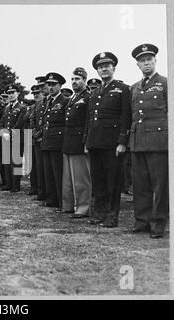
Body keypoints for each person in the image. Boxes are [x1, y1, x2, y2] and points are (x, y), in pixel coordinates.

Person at [84, 52, 132, 228]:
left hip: (112, 144)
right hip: (95, 142)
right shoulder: (95, 92)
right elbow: (90, 120)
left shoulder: (122, 89)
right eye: (100, 67)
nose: (104, 69)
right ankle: (99, 213)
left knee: (113, 181)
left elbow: (126, 117)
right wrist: (87, 142)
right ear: (97, 70)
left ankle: (112, 216)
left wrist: (122, 142)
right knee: (98, 180)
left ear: (114, 68)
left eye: (107, 66)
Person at [129, 44, 168, 238]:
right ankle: (141, 221)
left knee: (160, 186)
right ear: (137, 64)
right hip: (138, 141)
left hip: (159, 142)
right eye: (142, 61)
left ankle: (158, 223)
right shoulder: (134, 88)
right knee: (140, 184)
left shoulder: (165, 83)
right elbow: (132, 115)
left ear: (155, 61)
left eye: (149, 59)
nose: (146, 63)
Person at [61, 67, 92, 218]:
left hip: (79, 142)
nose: (74, 82)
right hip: (68, 141)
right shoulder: (74, 97)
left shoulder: (88, 97)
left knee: (81, 179)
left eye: (77, 79)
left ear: (85, 80)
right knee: (67, 178)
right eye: (72, 79)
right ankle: (68, 205)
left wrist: (86, 141)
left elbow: (88, 121)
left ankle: (83, 207)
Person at [41, 73, 69, 212]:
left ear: (60, 86)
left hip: (57, 141)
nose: (50, 87)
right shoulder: (48, 101)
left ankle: (60, 200)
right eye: (49, 84)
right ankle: (51, 199)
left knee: (58, 173)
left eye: (54, 85)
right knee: (48, 173)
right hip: (47, 140)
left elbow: (65, 123)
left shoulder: (64, 101)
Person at [0, 84, 26, 192]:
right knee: (6, 162)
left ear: (18, 94)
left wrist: (9, 133)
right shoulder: (6, 108)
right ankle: (8, 184)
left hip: (16, 138)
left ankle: (16, 185)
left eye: (12, 93)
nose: (10, 95)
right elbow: (1, 123)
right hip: (6, 138)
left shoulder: (22, 108)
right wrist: (3, 132)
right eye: (9, 93)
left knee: (16, 162)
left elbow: (19, 124)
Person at [30, 80, 48, 203]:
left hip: (45, 138)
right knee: (38, 168)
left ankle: (46, 192)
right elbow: (31, 119)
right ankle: (41, 192)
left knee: (45, 168)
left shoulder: (48, 102)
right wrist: (34, 133)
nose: (38, 93)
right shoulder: (37, 104)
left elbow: (48, 121)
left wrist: (40, 133)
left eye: (42, 87)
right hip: (37, 139)